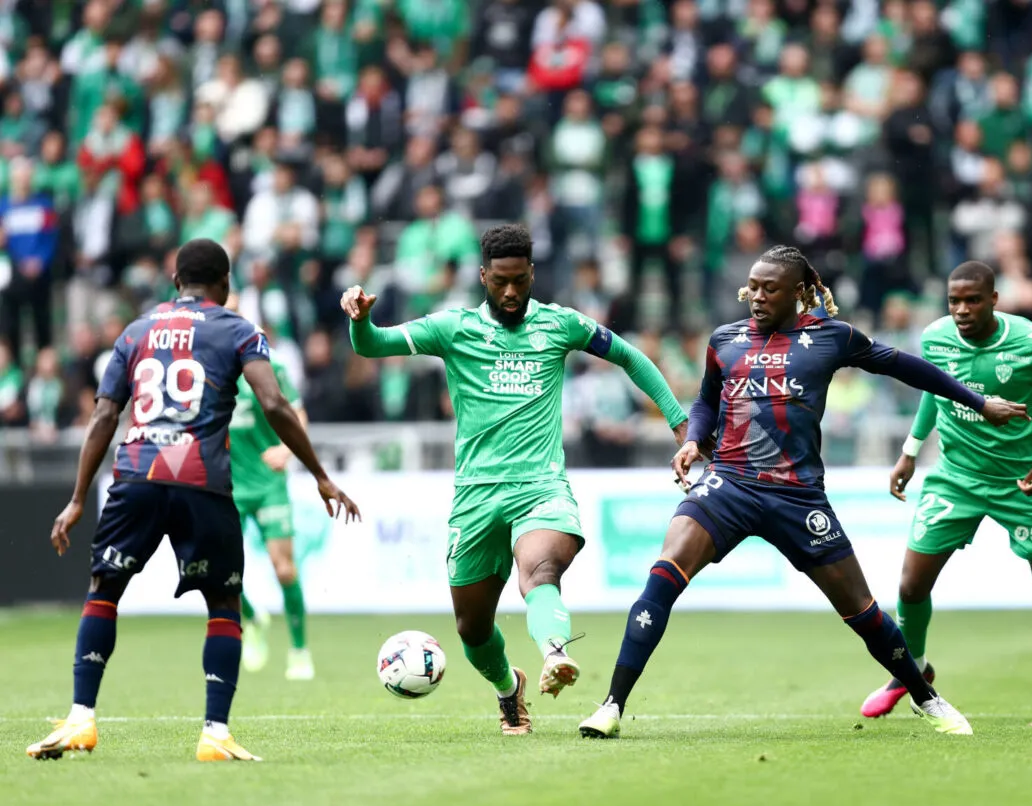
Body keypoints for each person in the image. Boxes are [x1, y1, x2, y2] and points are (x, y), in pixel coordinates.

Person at [577, 245, 1029, 739]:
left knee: (862, 611)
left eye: (771, 288)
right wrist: (690, 441)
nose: (757, 296)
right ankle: (611, 705)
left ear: (799, 293)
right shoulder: (724, 339)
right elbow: (707, 402)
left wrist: (978, 402)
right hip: (729, 482)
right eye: (753, 286)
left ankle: (926, 697)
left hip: (797, 496)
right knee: (663, 575)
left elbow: (905, 367)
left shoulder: (831, 337)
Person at [340, 224, 690, 736]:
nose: (510, 292)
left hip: (540, 487)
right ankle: (509, 689)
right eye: (500, 281)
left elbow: (630, 357)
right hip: (475, 496)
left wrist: (680, 423)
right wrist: (361, 319)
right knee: (473, 630)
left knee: (540, 570)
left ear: (532, 275)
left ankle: (554, 652)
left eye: (520, 281)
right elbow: (372, 346)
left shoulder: (560, 325)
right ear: (483, 276)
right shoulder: (453, 328)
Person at [27, 240, 358, 763]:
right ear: (224, 284)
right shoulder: (238, 330)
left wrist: (74, 499)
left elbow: (104, 417)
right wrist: (319, 473)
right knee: (224, 603)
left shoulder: (135, 331)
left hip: (135, 476)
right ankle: (215, 732)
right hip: (201, 481)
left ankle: (80, 719)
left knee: (104, 590)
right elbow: (273, 402)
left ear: (175, 281)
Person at [860, 261, 1032, 723]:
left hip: (1024, 477)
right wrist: (910, 451)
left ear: (994, 300)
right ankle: (913, 670)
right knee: (910, 584)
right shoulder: (936, 338)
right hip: (956, 475)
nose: (961, 309)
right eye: (954, 300)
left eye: (972, 300)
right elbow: (932, 389)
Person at [229, 341, 315, 680]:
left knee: (284, 570)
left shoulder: (268, 366)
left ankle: (299, 650)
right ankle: (252, 617)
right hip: (227, 484)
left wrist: (286, 449)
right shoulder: (206, 365)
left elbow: (299, 412)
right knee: (220, 570)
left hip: (268, 482)